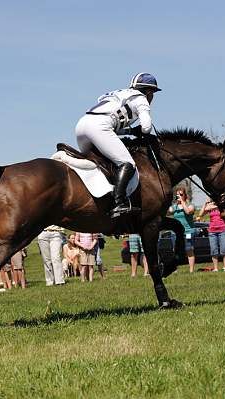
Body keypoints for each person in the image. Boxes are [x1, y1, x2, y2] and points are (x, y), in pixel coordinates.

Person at [75, 72, 161, 217]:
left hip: (81, 126)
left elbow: (112, 126)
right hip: (99, 127)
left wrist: (130, 131)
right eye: (152, 94)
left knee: (98, 164)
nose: (152, 98)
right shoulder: (142, 99)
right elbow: (146, 127)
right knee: (127, 163)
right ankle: (119, 203)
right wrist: (142, 130)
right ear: (149, 92)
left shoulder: (116, 94)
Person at [168, 189, 196, 273]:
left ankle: (191, 270)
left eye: (181, 194)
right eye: (177, 195)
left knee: (189, 250)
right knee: (175, 250)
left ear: (185, 195)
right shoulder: (174, 207)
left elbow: (187, 211)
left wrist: (182, 202)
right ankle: (175, 269)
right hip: (176, 233)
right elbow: (167, 212)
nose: (179, 196)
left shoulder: (190, 205)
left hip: (188, 231)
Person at [199, 198, 225, 272]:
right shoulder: (209, 206)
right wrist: (205, 203)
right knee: (214, 250)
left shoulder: (221, 204)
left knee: (224, 249)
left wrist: (213, 205)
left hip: (222, 229)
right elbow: (200, 214)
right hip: (212, 231)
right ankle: (215, 268)